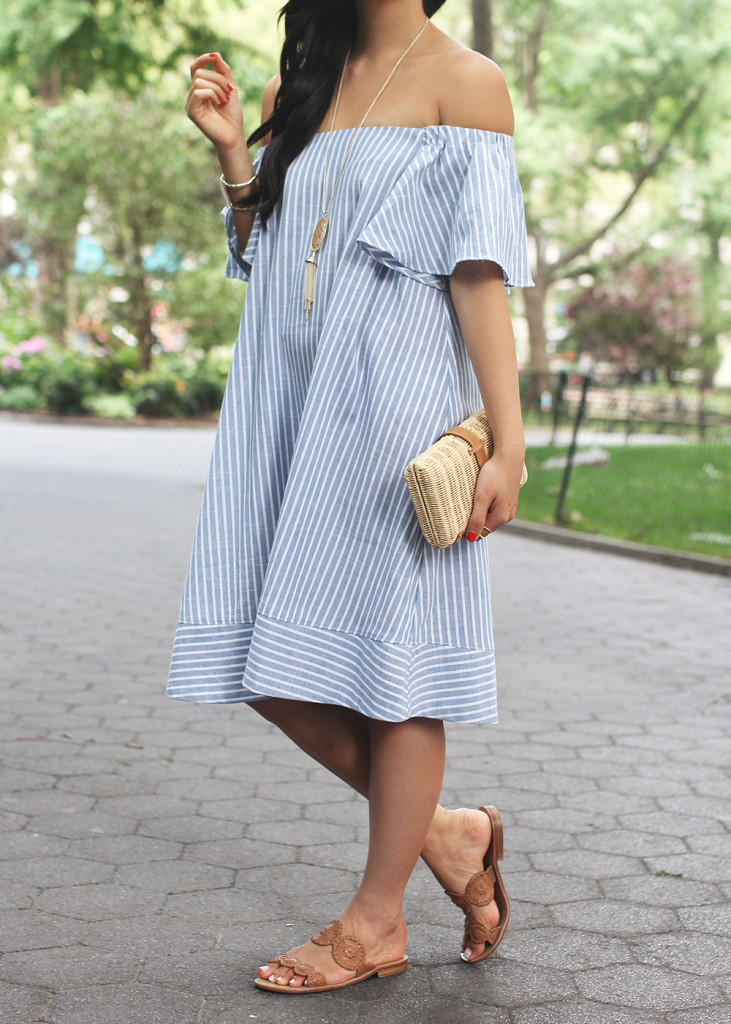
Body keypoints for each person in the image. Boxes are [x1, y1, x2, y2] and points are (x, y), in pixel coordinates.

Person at [169, 0, 534, 994]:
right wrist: (233, 153)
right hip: (287, 402)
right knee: (260, 654)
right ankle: (449, 833)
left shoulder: (466, 83)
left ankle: (376, 921)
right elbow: (267, 255)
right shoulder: (303, 81)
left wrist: (506, 437)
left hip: (392, 407)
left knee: (397, 663)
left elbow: (478, 273)